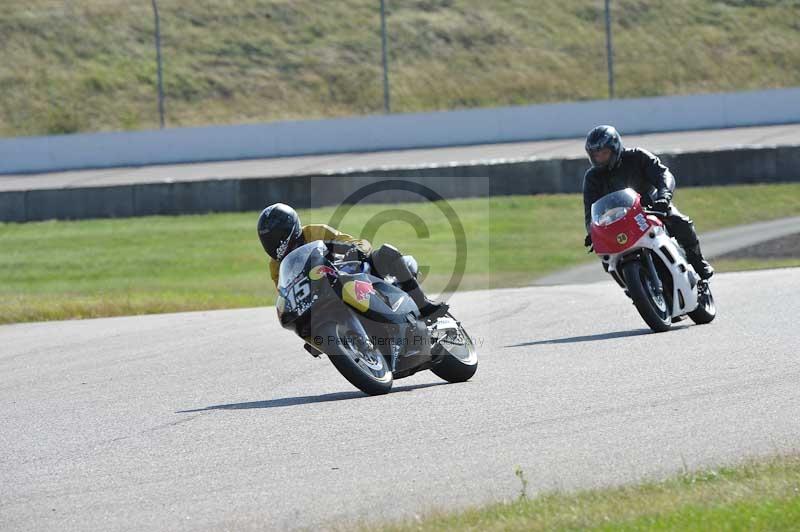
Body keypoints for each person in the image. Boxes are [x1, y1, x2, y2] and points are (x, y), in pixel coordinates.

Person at [257, 203, 449, 319]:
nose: (274, 243)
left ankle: (423, 304)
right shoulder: (275, 266)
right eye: (268, 239)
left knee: (387, 252)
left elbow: (353, 242)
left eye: (277, 237)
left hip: (349, 271)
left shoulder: (315, 231)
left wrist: (355, 250)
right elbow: (286, 294)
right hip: (321, 295)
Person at [582, 125, 714, 279]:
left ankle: (697, 262)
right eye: (596, 155)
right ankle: (631, 288)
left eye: (604, 153)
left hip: (652, 207)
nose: (600, 159)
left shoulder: (637, 156)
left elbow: (663, 174)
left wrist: (664, 197)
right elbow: (590, 210)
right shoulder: (592, 177)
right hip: (619, 221)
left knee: (681, 222)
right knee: (606, 256)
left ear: (615, 148)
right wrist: (593, 231)